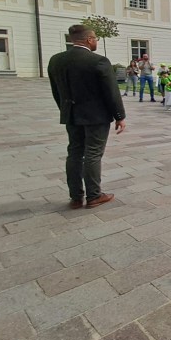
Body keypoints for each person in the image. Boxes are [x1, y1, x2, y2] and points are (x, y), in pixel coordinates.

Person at [48, 24, 124, 209]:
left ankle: (75, 197)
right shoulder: (98, 61)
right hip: (96, 116)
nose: (96, 41)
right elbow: (111, 92)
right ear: (89, 39)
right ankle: (94, 195)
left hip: (71, 114)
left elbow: (56, 91)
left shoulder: (56, 60)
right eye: (95, 38)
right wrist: (119, 116)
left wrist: (65, 110)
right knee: (93, 153)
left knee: (74, 153)